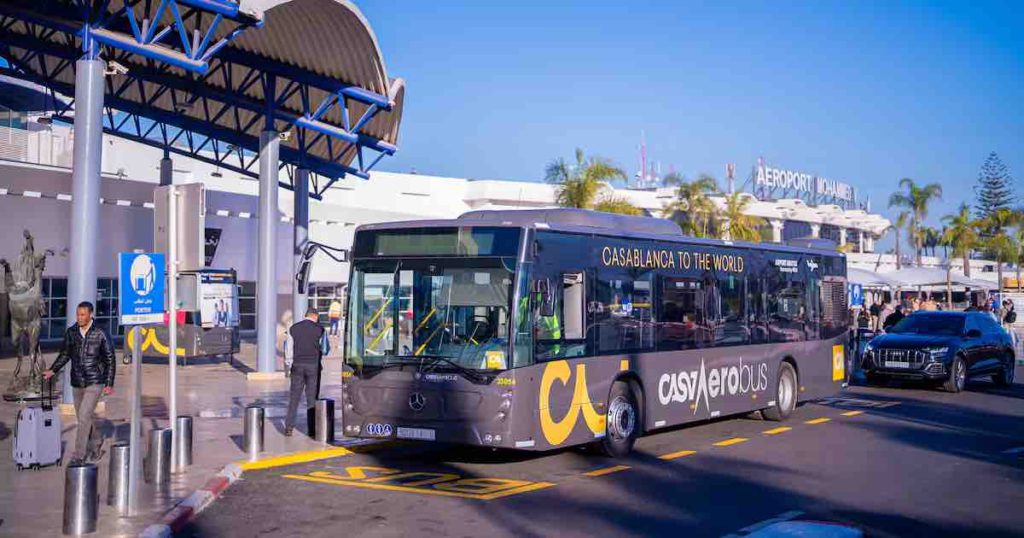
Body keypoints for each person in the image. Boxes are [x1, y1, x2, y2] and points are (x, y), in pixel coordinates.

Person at [42, 302, 115, 464]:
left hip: (95, 381)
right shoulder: (71, 333)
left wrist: (109, 383)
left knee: (83, 416)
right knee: (85, 418)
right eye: (78, 314)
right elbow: (65, 354)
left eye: (83, 315)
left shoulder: (100, 332)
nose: (79, 318)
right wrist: (52, 370)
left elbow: (110, 359)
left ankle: (79, 454)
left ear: (90, 315)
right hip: (77, 381)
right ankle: (96, 444)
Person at [284, 307, 328, 436]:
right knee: (311, 398)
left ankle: (289, 427)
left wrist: (289, 365)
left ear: (306, 315)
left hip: (297, 366)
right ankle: (312, 429)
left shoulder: (293, 328)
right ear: (315, 316)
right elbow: (325, 349)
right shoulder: (320, 329)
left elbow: (288, 350)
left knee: (294, 398)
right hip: (313, 366)